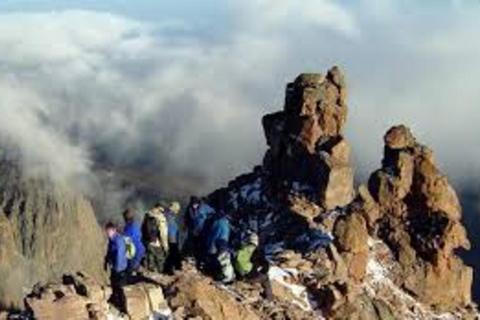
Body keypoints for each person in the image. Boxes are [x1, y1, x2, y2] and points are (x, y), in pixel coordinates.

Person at [234, 233, 273, 301]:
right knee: (266, 278)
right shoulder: (256, 251)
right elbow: (265, 266)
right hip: (249, 277)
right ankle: (269, 298)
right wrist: (260, 270)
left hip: (238, 275)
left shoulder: (242, 248)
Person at [104, 222, 128, 314]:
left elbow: (120, 256)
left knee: (119, 287)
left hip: (120, 268)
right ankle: (115, 299)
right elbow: (110, 252)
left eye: (108, 232)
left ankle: (123, 308)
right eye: (107, 232)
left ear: (114, 230)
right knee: (114, 284)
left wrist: (116, 268)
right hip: (115, 267)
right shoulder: (112, 240)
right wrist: (107, 261)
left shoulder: (118, 241)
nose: (107, 234)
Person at [142, 203, 169, 273]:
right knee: (160, 261)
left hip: (147, 242)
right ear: (160, 209)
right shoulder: (160, 218)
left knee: (149, 260)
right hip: (157, 243)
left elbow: (142, 228)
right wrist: (165, 246)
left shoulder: (147, 215)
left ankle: (149, 273)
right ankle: (160, 276)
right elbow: (163, 234)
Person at [123, 208, 146, 278]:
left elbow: (129, 248)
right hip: (141, 251)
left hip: (135, 255)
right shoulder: (136, 226)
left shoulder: (128, 230)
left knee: (129, 275)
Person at [164, 201, 182, 274]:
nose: (178, 211)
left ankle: (176, 265)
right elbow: (170, 227)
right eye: (177, 210)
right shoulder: (169, 216)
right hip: (171, 237)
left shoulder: (169, 215)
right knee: (172, 253)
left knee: (174, 252)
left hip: (173, 235)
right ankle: (168, 269)